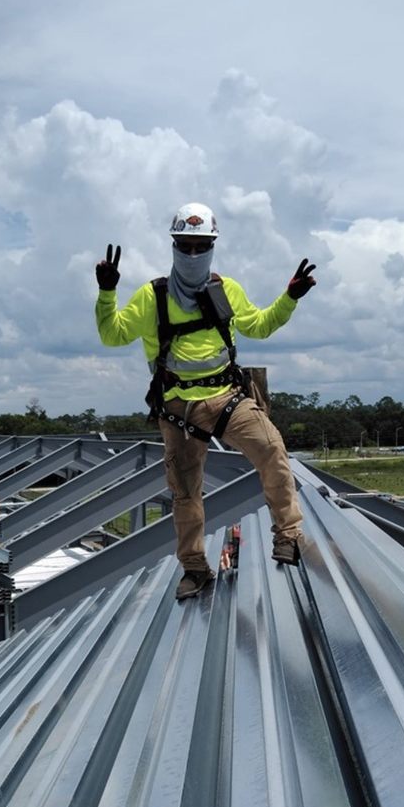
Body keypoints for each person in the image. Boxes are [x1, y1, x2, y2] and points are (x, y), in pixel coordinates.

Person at [95, 201, 316, 599]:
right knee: (185, 492)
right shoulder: (153, 297)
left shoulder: (225, 290)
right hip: (178, 408)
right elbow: (113, 335)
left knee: (272, 450)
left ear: (212, 246)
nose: (193, 254)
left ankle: (288, 535)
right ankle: (195, 568)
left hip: (227, 398)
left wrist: (289, 298)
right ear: (174, 245)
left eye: (201, 246)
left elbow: (259, 326)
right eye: (186, 246)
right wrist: (107, 292)